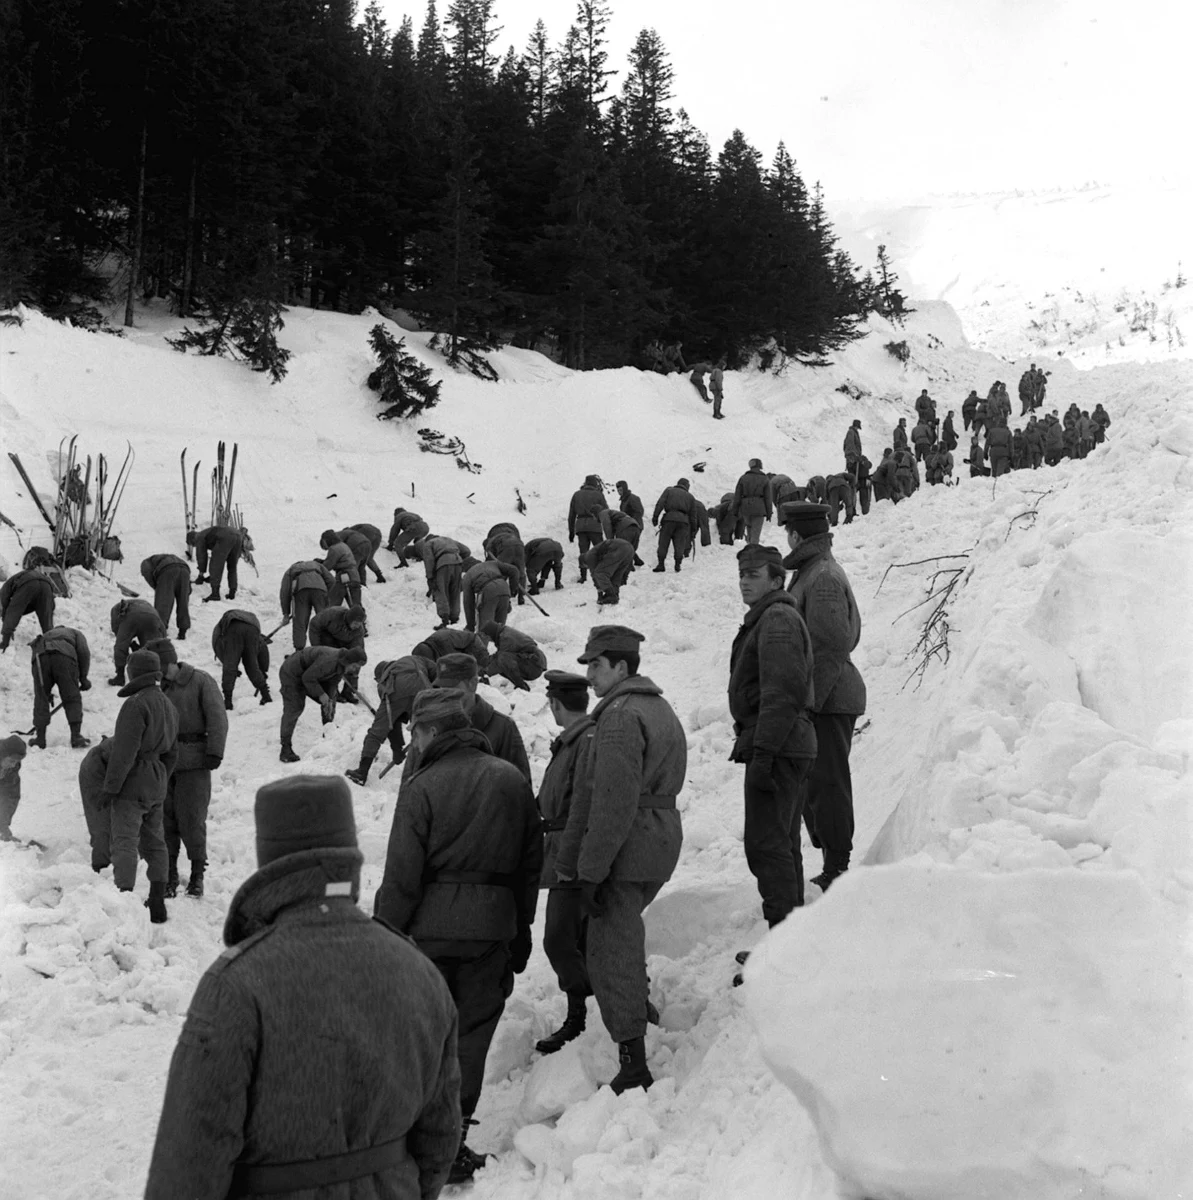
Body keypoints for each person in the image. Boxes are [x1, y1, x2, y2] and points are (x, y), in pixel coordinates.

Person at [146, 774, 461, 1199]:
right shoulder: (420, 972)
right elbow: (439, 1139)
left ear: (269, 861)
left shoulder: (237, 985)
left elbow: (190, 1164)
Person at [374, 689, 541, 1184]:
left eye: (415, 734)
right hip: (492, 929)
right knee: (471, 1037)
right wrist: (522, 929)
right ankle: (451, 1143)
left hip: (428, 932)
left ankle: (408, 1139)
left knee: (424, 1034)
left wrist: (385, 935)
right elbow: (529, 866)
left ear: (431, 731)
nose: (414, 744)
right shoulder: (511, 780)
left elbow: (402, 876)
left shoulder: (422, 786)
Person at [554, 626, 684, 1094]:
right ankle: (639, 1010)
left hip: (630, 845)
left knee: (610, 950)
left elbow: (609, 802)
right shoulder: (657, 707)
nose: (589, 675)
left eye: (596, 665)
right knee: (623, 937)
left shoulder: (619, 717)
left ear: (621, 667)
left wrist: (589, 871)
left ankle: (633, 1063)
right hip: (658, 838)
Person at [728, 544, 816, 943]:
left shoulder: (777, 618)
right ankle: (789, 943)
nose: (744, 582)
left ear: (777, 580)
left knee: (767, 847)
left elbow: (782, 693)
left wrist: (763, 754)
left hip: (779, 745)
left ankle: (782, 948)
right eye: (741, 575)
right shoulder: (770, 616)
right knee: (781, 845)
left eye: (754, 575)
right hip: (783, 743)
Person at [778, 503, 866, 893]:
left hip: (828, 698)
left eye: (787, 532)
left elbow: (830, 646)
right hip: (823, 695)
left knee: (827, 783)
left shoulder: (823, 576)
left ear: (796, 535)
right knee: (814, 784)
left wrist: (808, 704)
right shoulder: (813, 571)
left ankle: (837, 869)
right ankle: (833, 862)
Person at [534, 670, 597, 1053]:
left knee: (559, 939)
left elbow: (583, 803)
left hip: (573, 853)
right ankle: (583, 1012)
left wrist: (571, 857)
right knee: (578, 938)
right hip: (563, 847)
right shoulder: (573, 741)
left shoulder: (584, 741)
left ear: (556, 704)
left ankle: (595, 1003)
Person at [98, 649, 179, 921]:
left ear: (133, 673)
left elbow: (124, 752)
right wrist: (160, 778)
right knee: (156, 841)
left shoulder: (135, 704)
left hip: (134, 777)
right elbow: (173, 752)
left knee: (125, 840)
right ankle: (157, 901)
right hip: (158, 777)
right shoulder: (169, 704)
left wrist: (111, 787)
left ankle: (124, 902)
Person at [150, 639, 227, 900]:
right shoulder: (160, 688)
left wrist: (215, 750)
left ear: (168, 662)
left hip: (195, 762)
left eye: (158, 667)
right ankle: (170, 874)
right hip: (165, 764)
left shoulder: (201, 681)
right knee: (165, 820)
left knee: (192, 820)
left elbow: (217, 717)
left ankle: (197, 876)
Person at [402, 654, 530, 782]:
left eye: (452, 688)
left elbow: (519, 785)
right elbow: (409, 782)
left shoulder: (502, 728)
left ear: (473, 684)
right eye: (441, 688)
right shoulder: (428, 727)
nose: (445, 695)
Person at [346, 655, 435, 785]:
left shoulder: (384, 682)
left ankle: (362, 772)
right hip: (423, 688)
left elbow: (391, 721)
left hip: (395, 689)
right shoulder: (415, 659)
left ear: (378, 678)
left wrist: (396, 748)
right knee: (423, 733)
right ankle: (423, 774)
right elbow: (437, 672)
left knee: (376, 732)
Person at [278, 645, 368, 763]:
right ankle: (285, 748)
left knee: (331, 700)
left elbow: (333, 684)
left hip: (310, 673)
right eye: (355, 666)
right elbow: (308, 678)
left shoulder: (342, 665)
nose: (355, 670)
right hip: (292, 673)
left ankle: (328, 733)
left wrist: (329, 701)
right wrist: (321, 694)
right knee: (295, 707)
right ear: (348, 661)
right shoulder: (329, 660)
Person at [28, 625, 92, 749]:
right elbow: (84, 652)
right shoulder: (74, 632)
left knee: (41, 698)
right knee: (71, 696)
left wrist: (44, 691)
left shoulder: (45, 635)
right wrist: (83, 678)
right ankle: (76, 737)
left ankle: (40, 738)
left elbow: (36, 667)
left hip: (39, 657)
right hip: (63, 657)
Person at [309, 604, 368, 702]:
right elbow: (315, 624)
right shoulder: (333, 614)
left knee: (355, 660)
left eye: (360, 624)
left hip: (345, 642)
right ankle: (332, 690)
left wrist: (353, 677)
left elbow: (358, 650)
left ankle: (348, 691)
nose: (357, 626)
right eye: (355, 623)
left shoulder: (358, 630)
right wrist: (317, 647)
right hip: (327, 637)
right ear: (349, 619)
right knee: (331, 661)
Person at [108, 598, 166, 686]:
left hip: (132, 618)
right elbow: (162, 636)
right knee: (152, 648)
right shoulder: (147, 605)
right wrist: (141, 649)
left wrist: (126, 642)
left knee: (120, 647)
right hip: (152, 618)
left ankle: (120, 677)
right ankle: (156, 675)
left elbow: (117, 632)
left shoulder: (115, 609)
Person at [279, 558, 333, 651]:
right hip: (320, 590)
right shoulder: (317, 565)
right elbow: (331, 581)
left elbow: (285, 592)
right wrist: (328, 598)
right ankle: (327, 648)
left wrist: (286, 614)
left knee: (300, 621)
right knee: (324, 620)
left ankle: (299, 649)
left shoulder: (291, 569)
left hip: (301, 592)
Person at [414, 534, 465, 630]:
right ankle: (454, 618)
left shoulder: (429, 543)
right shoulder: (449, 540)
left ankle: (445, 620)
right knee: (455, 591)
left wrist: (430, 578)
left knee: (440, 591)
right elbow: (467, 551)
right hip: (458, 563)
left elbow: (429, 560)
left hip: (443, 565)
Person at [0, 566, 55, 651]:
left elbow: (11, 611)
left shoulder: (4, 590)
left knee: (13, 611)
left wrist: (6, 634)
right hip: (46, 584)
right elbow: (51, 607)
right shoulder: (15, 580)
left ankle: (4, 644)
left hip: (28, 583)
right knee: (47, 621)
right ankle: (52, 645)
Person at [481, 621, 547, 691]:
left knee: (503, 661)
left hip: (534, 666)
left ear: (490, 634)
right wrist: (485, 662)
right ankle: (521, 686)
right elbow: (498, 656)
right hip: (532, 662)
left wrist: (484, 671)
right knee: (502, 662)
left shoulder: (506, 638)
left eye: (487, 637)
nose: (488, 640)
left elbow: (501, 659)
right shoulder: (503, 633)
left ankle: (521, 687)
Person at [140, 553, 192, 640]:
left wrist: (159, 588)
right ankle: (183, 631)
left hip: (167, 570)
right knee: (183, 602)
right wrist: (186, 590)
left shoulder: (145, 563)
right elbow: (188, 590)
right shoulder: (163, 558)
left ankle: (160, 630)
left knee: (163, 604)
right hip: (185, 569)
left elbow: (147, 572)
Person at [651, 478, 699, 572]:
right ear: (686, 486)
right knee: (680, 544)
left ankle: (661, 564)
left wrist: (655, 517)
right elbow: (693, 516)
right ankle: (677, 564)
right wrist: (693, 530)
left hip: (669, 519)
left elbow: (660, 503)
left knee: (663, 542)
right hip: (683, 522)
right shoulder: (690, 497)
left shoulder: (669, 490)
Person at [567, 476, 608, 582]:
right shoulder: (598, 495)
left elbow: (571, 515)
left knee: (583, 552)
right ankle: (603, 573)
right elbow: (605, 512)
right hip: (595, 526)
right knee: (600, 550)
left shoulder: (576, 495)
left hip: (581, 527)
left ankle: (583, 576)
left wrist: (571, 532)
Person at [462, 559, 520, 633]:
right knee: (499, 629)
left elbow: (468, 603)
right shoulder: (492, 563)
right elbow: (514, 570)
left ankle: (483, 640)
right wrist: (512, 591)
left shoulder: (468, 575)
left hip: (487, 590)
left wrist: (470, 626)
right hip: (504, 587)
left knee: (485, 628)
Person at [191, 525, 245, 602]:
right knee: (232, 567)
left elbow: (201, 556)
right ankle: (232, 593)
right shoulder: (205, 533)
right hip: (238, 536)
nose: (194, 546)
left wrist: (200, 575)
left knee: (215, 566)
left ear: (192, 539)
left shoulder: (198, 537)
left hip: (225, 537)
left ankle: (215, 594)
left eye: (192, 544)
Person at [584, 536, 636, 605]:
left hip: (618, 549)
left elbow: (595, 575)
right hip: (629, 549)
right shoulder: (594, 552)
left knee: (600, 573)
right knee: (616, 574)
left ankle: (611, 595)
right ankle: (615, 594)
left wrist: (600, 594)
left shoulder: (589, 556)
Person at [731, 458, 772, 545]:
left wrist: (735, 510)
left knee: (749, 531)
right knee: (755, 534)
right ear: (760, 465)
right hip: (759, 509)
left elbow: (737, 496)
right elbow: (768, 498)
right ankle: (753, 550)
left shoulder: (743, 478)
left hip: (746, 508)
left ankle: (749, 547)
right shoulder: (765, 479)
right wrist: (769, 512)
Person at [410, 628, 490, 672]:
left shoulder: (445, 647)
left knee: (483, 663)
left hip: (473, 643)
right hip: (459, 645)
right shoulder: (427, 646)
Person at [320, 529, 363, 609]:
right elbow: (340, 560)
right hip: (355, 576)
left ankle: (332, 615)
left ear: (327, 540)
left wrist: (319, 565)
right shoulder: (343, 545)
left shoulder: (334, 548)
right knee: (355, 605)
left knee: (333, 602)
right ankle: (359, 615)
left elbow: (327, 566)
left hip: (345, 577)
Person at [483, 525, 529, 596]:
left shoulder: (489, 543)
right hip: (519, 544)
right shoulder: (504, 536)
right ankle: (521, 596)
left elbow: (491, 560)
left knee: (501, 571)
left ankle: (502, 593)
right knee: (521, 572)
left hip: (506, 547)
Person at [0, 735, 27, 842]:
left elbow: (10, 797)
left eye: (16, 762)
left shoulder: (12, 770)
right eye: (11, 761)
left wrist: (2, 825)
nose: (13, 765)